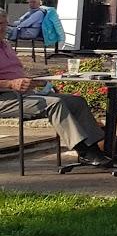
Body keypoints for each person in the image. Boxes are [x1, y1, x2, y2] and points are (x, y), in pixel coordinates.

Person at [0, 13, 111, 166]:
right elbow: (12, 81)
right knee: (54, 103)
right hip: (4, 98)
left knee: (77, 102)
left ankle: (96, 146)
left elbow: (16, 74)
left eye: (4, 23)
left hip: (23, 94)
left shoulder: (6, 45)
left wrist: (35, 82)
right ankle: (84, 151)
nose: (3, 28)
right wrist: (10, 84)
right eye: (0, 24)